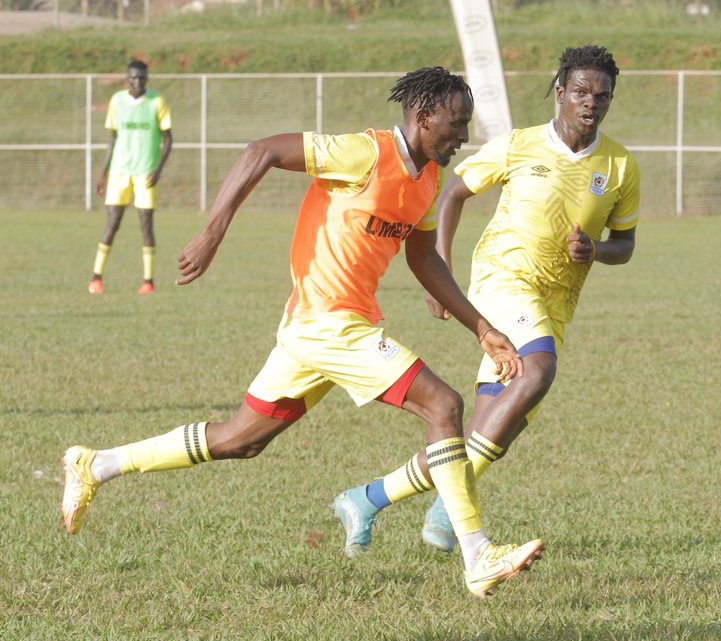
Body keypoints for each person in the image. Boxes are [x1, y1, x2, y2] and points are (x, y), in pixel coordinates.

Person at [61, 67, 544, 599]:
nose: (464, 136)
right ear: (423, 117)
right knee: (443, 405)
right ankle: (477, 555)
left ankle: (96, 464)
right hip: (327, 323)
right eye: (456, 124)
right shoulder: (364, 153)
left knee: (241, 440)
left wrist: (481, 328)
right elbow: (261, 150)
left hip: (320, 329)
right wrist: (212, 233)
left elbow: (423, 255)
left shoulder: (426, 179)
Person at [410, 44, 640, 552]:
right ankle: (452, 511)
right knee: (537, 372)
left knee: (498, 426)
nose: (590, 103)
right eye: (580, 92)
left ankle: (369, 499)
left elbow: (625, 245)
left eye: (602, 96)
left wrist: (596, 248)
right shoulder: (519, 144)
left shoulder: (620, 166)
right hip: (502, 280)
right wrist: (441, 272)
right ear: (560, 92)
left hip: (557, 300)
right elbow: (453, 194)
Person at [90, 59, 173, 295]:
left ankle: (148, 281)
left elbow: (169, 139)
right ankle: (96, 278)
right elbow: (112, 139)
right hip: (119, 172)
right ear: (127, 78)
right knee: (112, 223)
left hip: (145, 173)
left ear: (147, 78)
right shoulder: (117, 101)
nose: (138, 81)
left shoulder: (157, 101)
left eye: (142, 77)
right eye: (134, 77)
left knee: (146, 225)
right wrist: (103, 173)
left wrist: (158, 169)